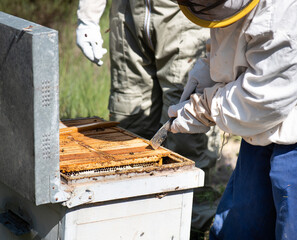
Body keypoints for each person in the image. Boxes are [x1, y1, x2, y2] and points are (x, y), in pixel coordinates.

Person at [167, 0, 297, 239]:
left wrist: (206, 108)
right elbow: (238, 33)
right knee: (240, 226)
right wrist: (209, 72)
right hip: (262, 124)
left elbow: (263, 99)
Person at [76, 0, 222, 238]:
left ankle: (195, 223)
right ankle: (130, 218)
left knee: (187, 122)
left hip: (184, 11)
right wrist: (88, 17)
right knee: (128, 121)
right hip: (127, 13)